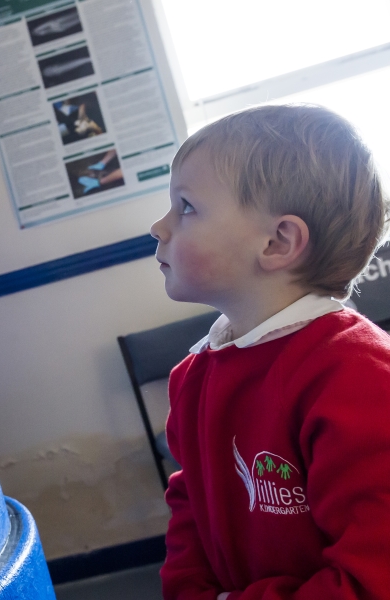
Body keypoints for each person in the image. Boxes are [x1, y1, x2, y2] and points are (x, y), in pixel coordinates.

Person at [149, 104, 390, 599]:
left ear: (278, 242)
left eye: (186, 207)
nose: (160, 226)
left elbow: (374, 575)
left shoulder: (357, 374)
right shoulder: (193, 376)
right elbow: (191, 508)